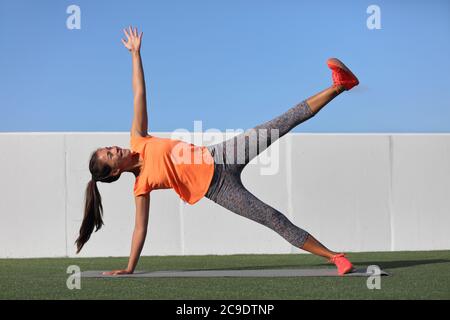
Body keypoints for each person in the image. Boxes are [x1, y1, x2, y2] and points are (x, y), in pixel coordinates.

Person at [76, 26, 359, 276]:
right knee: (273, 218)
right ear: (115, 171)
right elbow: (140, 229)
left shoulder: (138, 139)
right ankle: (336, 257)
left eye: (109, 147)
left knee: (281, 122)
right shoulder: (141, 186)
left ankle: (340, 85)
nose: (114, 148)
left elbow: (139, 93)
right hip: (220, 189)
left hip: (222, 155)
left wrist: (135, 55)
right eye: (110, 154)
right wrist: (129, 268)